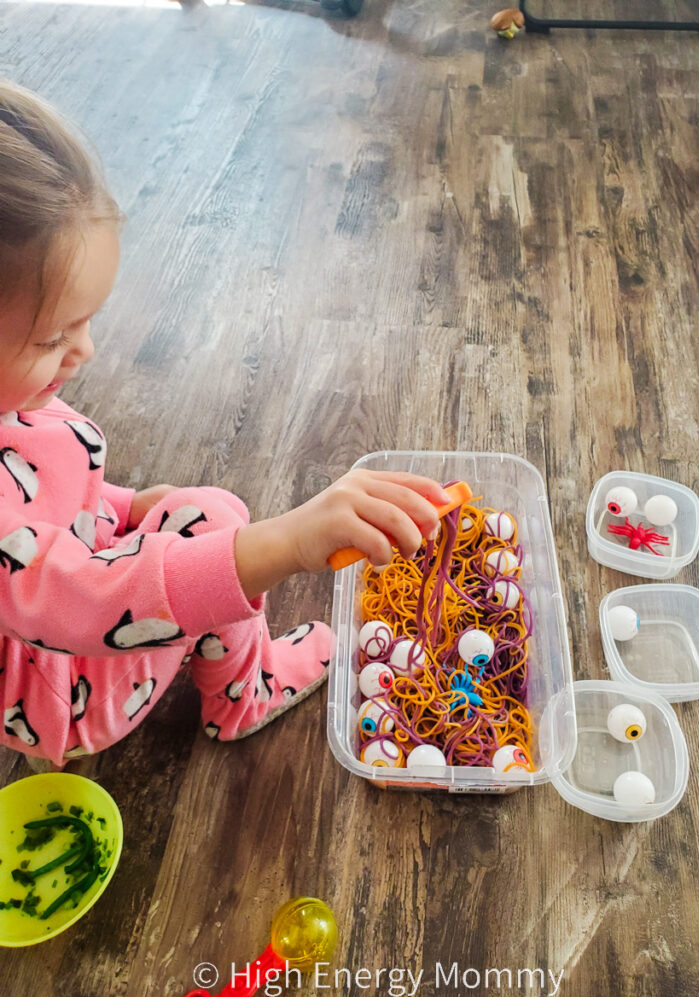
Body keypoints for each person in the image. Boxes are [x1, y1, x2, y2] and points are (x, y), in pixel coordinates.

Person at [0, 79, 448, 766]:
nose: (84, 350)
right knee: (215, 521)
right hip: (62, 690)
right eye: (54, 337)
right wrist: (290, 541)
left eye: (85, 324)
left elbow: (41, 491)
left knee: (194, 512)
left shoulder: (13, 394)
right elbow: (83, 597)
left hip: (51, 642)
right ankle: (245, 696)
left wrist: (123, 507)